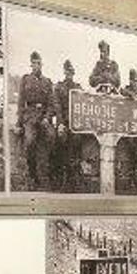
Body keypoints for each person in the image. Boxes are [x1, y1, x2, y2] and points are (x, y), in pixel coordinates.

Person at [16, 51, 56, 190]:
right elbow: (21, 102)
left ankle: (48, 170)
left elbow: (51, 103)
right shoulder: (26, 80)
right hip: (30, 116)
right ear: (31, 65)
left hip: (43, 116)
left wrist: (47, 117)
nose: (36, 66)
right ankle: (31, 170)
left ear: (41, 65)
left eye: (38, 63)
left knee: (52, 136)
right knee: (29, 140)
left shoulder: (47, 82)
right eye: (33, 63)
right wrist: (19, 122)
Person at [54, 59, 83, 190]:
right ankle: (62, 178)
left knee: (77, 143)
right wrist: (60, 123)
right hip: (64, 122)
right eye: (67, 72)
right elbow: (57, 106)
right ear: (64, 73)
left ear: (73, 74)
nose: (69, 75)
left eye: (71, 73)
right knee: (62, 144)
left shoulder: (78, 88)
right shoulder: (59, 87)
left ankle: (75, 178)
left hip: (75, 123)